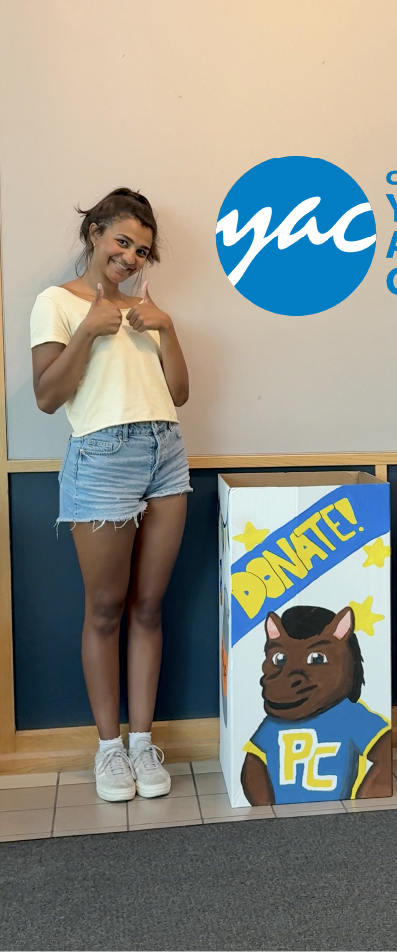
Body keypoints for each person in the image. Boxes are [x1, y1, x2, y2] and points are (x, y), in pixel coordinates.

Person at [30, 188, 190, 802]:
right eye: (122, 241)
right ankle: (108, 750)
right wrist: (89, 332)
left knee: (149, 607)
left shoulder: (147, 310)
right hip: (101, 457)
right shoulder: (58, 303)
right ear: (94, 233)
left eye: (142, 250)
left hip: (165, 452)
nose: (130, 257)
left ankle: (144, 741)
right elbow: (47, 398)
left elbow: (177, 393)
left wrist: (168, 328)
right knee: (105, 609)